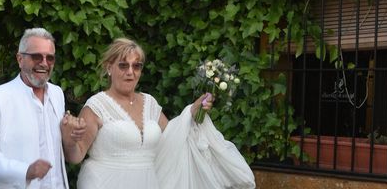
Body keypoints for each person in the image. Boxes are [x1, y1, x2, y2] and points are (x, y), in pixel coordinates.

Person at [62, 37, 255, 189]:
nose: (130, 72)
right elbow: (76, 156)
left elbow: (174, 137)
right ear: (109, 68)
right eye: (123, 65)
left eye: (136, 66)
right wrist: (69, 139)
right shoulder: (96, 106)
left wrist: (193, 112)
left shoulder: (150, 103)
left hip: (150, 183)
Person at [0, 28, 85, 189]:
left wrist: (70, 135)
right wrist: (25, 171)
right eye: (36, 56)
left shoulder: (57, 94)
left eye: (50, 58)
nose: (44, 63)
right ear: (20, 59)